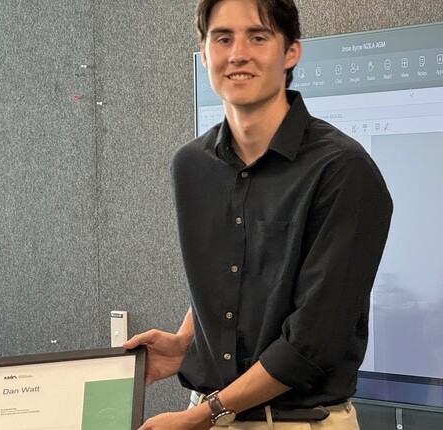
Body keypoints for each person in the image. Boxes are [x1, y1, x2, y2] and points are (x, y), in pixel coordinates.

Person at [123, 0, 393, 429]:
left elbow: (311, 345)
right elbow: (228, 277)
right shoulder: (191, 166)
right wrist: (186, 343)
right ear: (205, 51)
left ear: (291, 53)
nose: (238, 54)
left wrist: (204, 415)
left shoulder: (342, 170)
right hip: (211, 409)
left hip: (299, 421)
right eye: (223, 37)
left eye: (258, 36)